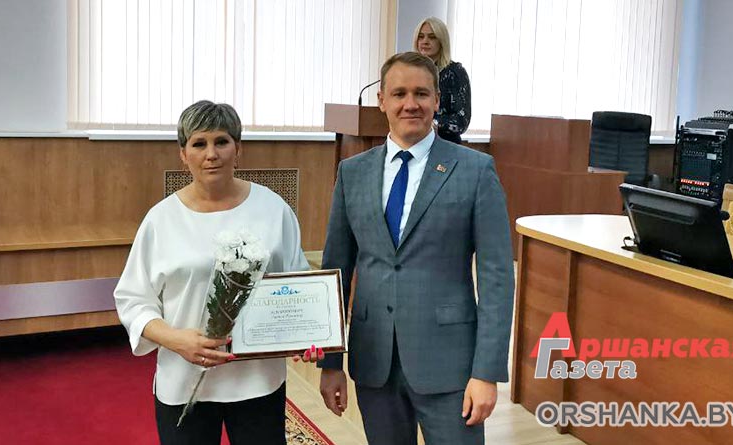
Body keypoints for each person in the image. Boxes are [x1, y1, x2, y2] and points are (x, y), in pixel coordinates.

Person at [318, 52, 514, 445]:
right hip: (374, 361)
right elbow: (335, 271)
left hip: (450, 366)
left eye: (422, 93)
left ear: (437, 100)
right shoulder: (353, 173)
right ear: (382, 101)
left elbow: (497, 277)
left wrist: (486, 372)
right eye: (399, 93)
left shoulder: (475, 171)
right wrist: (331, 362)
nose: (411, 104)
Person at [114, 100, 321, 445]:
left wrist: (309, 334)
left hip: (258, 379)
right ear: (183, 154)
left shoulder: (273, 208)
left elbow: (298, 286)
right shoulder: (161, 219)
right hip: (184, 379)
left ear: (238, 149)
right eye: (199, 144)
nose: (211, 154)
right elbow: (133, 300)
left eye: (221, 142)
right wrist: (175, 340)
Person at [413, 16, 471, 144]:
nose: (425, 41)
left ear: (442, 41)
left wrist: (432, 122)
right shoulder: (411, 72)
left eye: (432, 37)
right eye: (421, 37)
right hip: (415, 143)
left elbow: (462, 121)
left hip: (445, 144)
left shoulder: (455, 72)